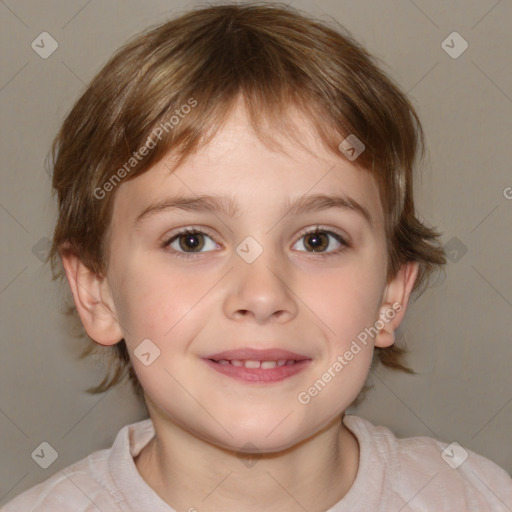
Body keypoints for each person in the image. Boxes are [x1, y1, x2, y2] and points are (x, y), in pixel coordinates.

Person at [4, 3, 511, 511]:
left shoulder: (478, 497)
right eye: (191, 241)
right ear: (97, 292)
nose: (263, 295)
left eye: (318, 240)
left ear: (391, 293)